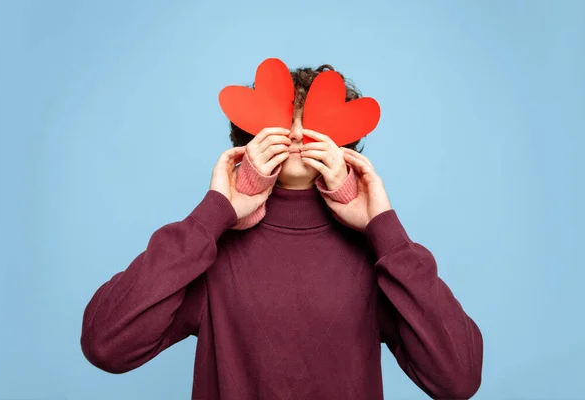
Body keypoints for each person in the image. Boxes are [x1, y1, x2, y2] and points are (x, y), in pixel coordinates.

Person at [80, 64, 484, 399]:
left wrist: (386, 230)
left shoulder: (376, 257)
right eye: (280, 120)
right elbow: (105, 344)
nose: (294, 133)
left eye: (313, 121)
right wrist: (212, 215)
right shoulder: (210, 250)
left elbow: (459, 378)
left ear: (345, 141)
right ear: (248, 138)